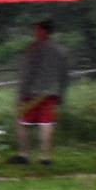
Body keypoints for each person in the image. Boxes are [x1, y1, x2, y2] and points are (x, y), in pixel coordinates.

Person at [14, 21, 68, 165]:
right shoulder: (60, 50)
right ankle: (45, 157)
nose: (35, 33)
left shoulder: (33, 49)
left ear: (43, 31)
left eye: (37, 30)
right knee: (47, 123)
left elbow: (27, 73)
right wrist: (61, 94)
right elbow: (64, 75)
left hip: (31, 94)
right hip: (51, 94)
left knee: (22, 122)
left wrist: (21, 94)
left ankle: (23, 154)